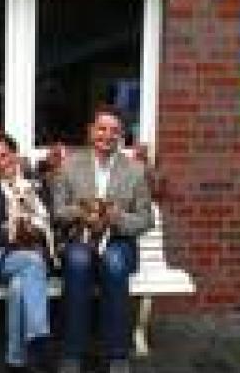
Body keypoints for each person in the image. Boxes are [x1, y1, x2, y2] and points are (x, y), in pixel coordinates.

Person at [52, 106, 154, 373]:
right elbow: (58, 212)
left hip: (118, 241)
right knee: (77, 262)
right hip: (80, 238)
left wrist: (117, 217)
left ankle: (117, 354)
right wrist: (82, 211)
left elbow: (146, 219)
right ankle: (72, 352)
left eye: (114, 131)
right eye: (101, 129)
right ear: (91, 131)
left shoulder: (135, 170)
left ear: (121, 135)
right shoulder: (69, 165)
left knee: (114, 263)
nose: (107, 135)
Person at [0, 133, 56, 373]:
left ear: (14, 154)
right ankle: (40, 339)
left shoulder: (37, 183)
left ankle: (15, 360)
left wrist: (36, 228)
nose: (1, 163)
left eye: (4, 155)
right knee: (32, 263)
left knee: (19, 286)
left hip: (34, 254)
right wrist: (11, 232)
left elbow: (52, 220)